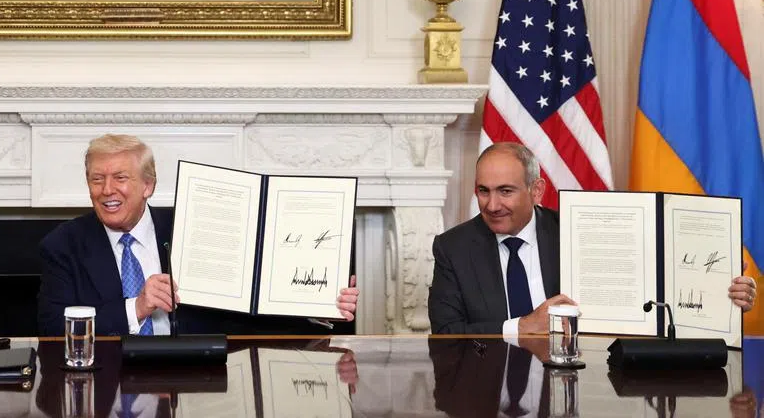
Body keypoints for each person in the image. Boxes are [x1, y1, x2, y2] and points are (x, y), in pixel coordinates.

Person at [37, 133, 358, 336]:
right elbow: (51, 328)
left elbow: (249, 312)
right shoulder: (63, 245)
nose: (107, 190)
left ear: (148, 185)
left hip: (195, 380)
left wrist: (320, 306)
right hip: (107, 384)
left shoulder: (197, 227)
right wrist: (137, 306)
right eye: (97, 179)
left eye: (120, 177)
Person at [428, 142, 757, 336]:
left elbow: (655, 297)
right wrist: (524, 326)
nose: (492, 204)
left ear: (537, 191)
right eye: (483, 191)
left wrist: (721, 298)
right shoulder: (452, 248)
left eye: (506, 191)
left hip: (582, 387)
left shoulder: (579, 230)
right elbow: (445, 334)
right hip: (486, 389)